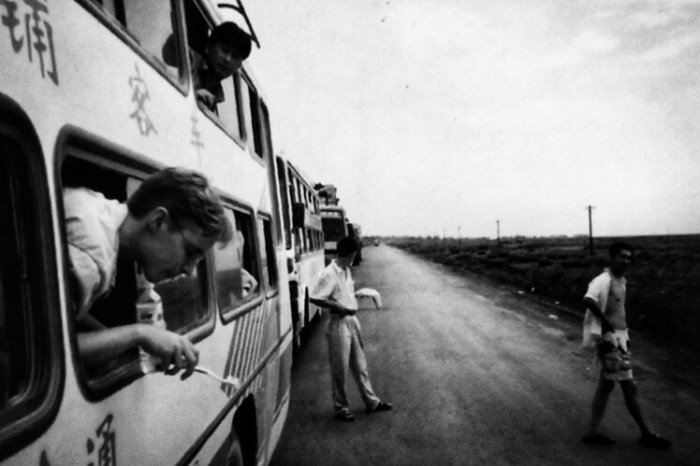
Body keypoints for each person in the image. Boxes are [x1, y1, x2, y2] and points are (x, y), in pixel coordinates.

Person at [65, 167, 232, 379]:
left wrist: (114, 341)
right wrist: (140, 334)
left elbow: (68, 313)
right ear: (158, 221)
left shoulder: (97, 209)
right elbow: (47, 349)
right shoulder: (93, 256)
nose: (189, 271)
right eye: (190, 252)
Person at [581, 241, 671, 449]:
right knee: (629, 386)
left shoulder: (621, 280)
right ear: (611, 258)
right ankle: (646, 434)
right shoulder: (603, 280)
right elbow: (588, 299)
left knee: (606, 385)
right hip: (611, 341)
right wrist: (605, 323)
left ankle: (593, 432)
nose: (626, 261)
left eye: (629, 258)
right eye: (622, 256)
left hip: (620, 338)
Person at [310, 237, 393, 421]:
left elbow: (342, 293)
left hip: (352, 321)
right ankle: (341, 407)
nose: (355, 257)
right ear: (348, 254)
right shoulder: (329, 273)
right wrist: (338, 306)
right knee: (339, 368)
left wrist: (356, 296)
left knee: (360, 365)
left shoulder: (347, 270)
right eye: (354, 254)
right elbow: (315, 297)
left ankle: (371, 401)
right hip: (338, 322)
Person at [191, 22, 252, 111]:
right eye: (224, 50)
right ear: (209, 46)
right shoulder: (188, 60)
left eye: (234, 56)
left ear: (238, 66)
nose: (228, 59)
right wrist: (193, 97)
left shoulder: (218, 98)